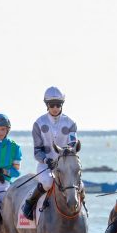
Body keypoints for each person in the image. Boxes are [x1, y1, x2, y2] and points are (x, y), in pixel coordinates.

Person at [22, 86, 78, 220]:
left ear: (62, 105)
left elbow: (73, 144)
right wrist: (46, 160)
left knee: (79, 185)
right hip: (46, 164)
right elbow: (37, 151)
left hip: (65, 165)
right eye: (52, 105)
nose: (55, 108)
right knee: (47, 183)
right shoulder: (38, 123)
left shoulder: (71, 123)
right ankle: (29, 204)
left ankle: (83, 210)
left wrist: (63, 160)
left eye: (58, 104)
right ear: (47, 105)